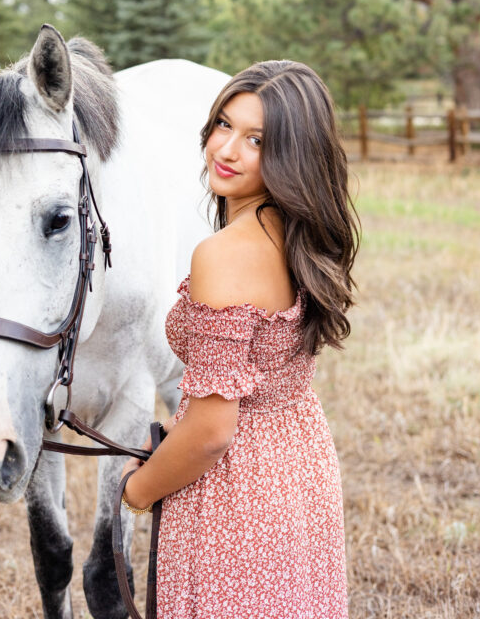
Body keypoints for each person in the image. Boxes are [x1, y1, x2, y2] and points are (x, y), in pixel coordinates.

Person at [121, 59, 359, 619]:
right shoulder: (300, 235)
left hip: (235, 499)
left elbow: (209, 431)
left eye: (256, 139)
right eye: (223, 125)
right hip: (300, 472)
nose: (226, 150)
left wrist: (139, 489)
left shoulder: (223, 255)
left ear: (292, 155)